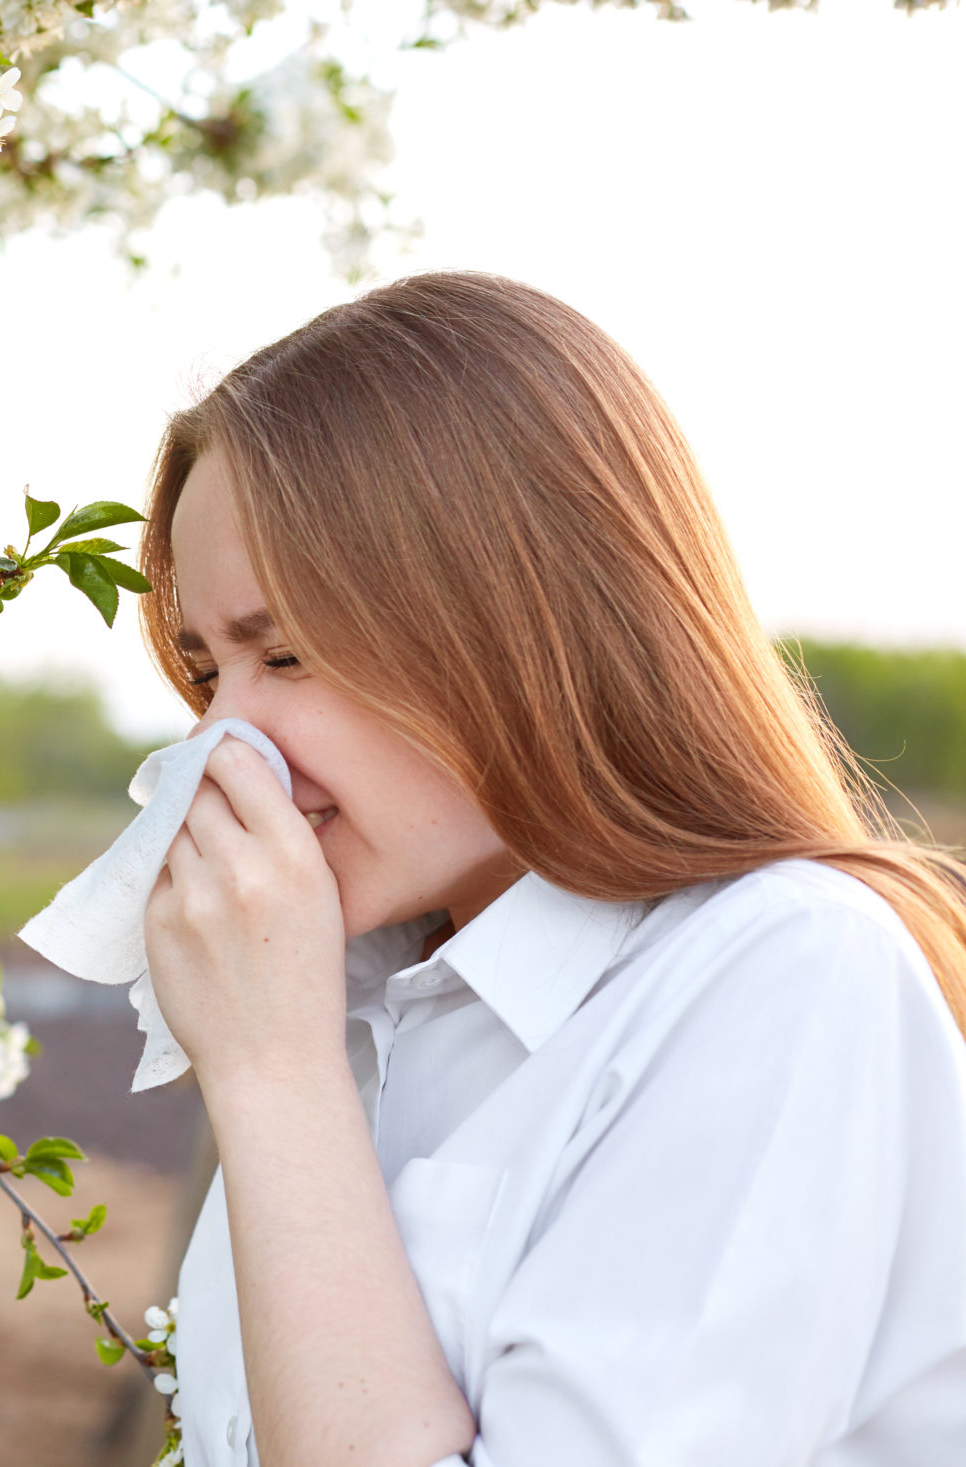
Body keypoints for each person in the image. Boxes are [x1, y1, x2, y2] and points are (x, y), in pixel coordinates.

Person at [135, 272, 966, 1467]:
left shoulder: (782, 974)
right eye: (208, 672)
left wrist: (272, 1082)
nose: (224, 745)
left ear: (515, 622)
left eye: (290, 654)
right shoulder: (359, 1001)